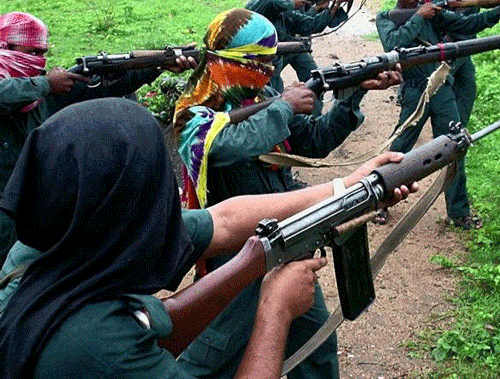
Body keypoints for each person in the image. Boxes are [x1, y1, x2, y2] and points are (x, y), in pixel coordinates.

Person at [0, 97, 414, 378]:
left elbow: (227, 220)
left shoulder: (63, 239)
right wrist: (276, 310)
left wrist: (347, 187)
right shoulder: (99, 347)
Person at [173, 8, 402, 379]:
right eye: (257, 62)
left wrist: (353, 95)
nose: (266, 72)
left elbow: (315, 140)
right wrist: (282, 106)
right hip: (235, 259)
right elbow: (229, 146)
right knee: (215, 358)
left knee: (314, 344)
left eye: (270, 63)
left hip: (288, 242)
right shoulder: (194, 112)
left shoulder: (262, 94)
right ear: (225, 62)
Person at [0, 11, 196, 265]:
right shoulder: (40, 86)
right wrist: (46, 85)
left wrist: (155, 65)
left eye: (42, 54)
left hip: (31, 205)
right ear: (7, 47)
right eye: (32, 53)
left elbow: (108, 86)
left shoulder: (45, 87)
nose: (39, 61)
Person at [375, 0, 500, 228]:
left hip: (442, 88)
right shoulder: (387, 17)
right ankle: (381, 202)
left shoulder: (434, 13)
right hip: (414, 90)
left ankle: (459, 212)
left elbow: (470, 23)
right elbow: (392, 43)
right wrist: (419, 17)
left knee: (455, 145)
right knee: (400, 148)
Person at [246, 0, 349, 114]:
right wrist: (292, 4)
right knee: (274, 96)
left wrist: (333, 6)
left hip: (293, 47)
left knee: (315, 78)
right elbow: (268, 3)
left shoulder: (288, 12)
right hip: (269, 58)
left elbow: (308, 24)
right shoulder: (261, 4)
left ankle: (313, 120)